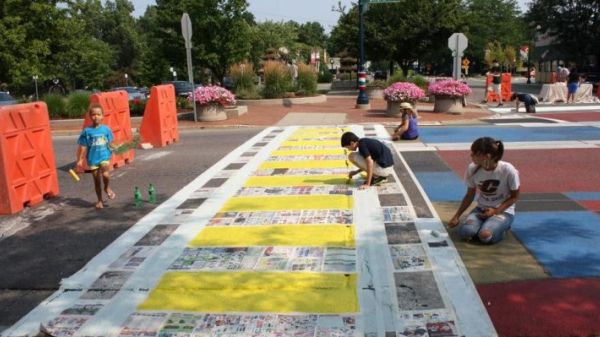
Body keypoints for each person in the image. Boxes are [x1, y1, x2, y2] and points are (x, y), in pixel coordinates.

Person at [448, 137, 520, 244]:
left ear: (487, 156)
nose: (471, 155)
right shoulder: (472, 168)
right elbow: (470, 194)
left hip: (502, 211)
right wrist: (457, 216)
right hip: (481, 210)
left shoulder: (507, 170)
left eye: (474, 153)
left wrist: (495, 211)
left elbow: (514, 197)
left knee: (485, 236)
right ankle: (487, 225)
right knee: (466, 233)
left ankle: (501, 228)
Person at [76, 104, 116, 209]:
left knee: (106, 174)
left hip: (104, 156)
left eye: (99, 114)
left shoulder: (106, 130)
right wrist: (80, 159)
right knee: (97, 181)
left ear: (103, 116)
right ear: (90, 116)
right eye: (93, 114)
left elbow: (111, 143)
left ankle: (107, 188)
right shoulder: (87, 131)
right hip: (92, 159)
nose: (96, 117)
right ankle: (99, 200)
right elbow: (83, 146)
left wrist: (114, 148)